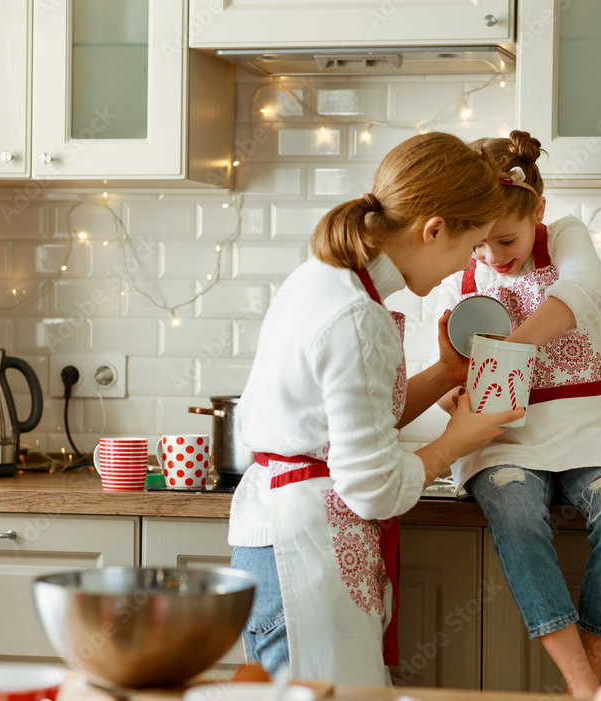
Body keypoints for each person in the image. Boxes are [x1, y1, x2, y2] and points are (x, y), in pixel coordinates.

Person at [227, 132, 525, 687]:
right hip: (305, 557)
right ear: (433, 229)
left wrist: (444, 373)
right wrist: (458, 440)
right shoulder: (355, 316)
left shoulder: (323, 278)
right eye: (471, 246)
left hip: (284, 537)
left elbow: (344, 423)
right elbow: (374, 488)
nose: (470, 264)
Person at [437, 130, 601, 696]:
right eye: (478, 244)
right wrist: (453, 396)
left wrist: (509, 351)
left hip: (587, 430)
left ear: (537, 209)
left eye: (503, 240)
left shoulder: (564, 240)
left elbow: (585, 288)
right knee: (513, 508)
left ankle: (594, 651)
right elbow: (451, 368)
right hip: (504, 440)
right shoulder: (464, 271)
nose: (490, 257)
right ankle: (580, 678)